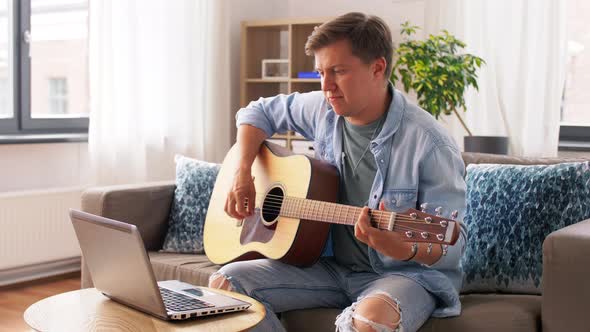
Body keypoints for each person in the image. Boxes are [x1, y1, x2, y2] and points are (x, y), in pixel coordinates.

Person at [209, 12, 467, 332]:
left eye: (338, 71)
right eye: (320, 72)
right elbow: (255, 112)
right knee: (225, 286)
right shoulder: (323, 109)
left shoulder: (431, 143)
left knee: (370, 321)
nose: (326, 85)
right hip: (327, 266)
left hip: (404, 276)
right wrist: (242, 173)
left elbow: (452, 244)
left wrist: (401, 247)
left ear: (377, 68)